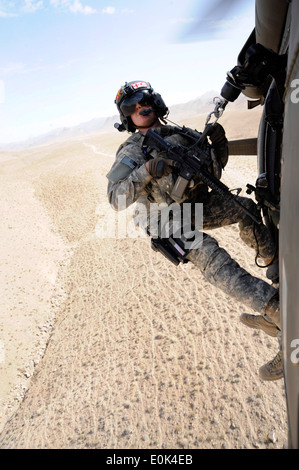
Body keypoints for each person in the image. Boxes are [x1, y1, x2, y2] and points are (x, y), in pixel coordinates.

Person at [106, 80, 282, 381]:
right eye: (132, 107)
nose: (140, 107)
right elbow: (116, 198)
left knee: (245, 210)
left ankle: (277, 271)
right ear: (127, 117)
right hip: (162, 217)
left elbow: (212, 171)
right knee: (210, 256)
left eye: (143, 100)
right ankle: (279, 313)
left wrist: (219, 146)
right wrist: (146, 171)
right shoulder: (133, 149)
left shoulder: (181, 134)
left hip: (194, 204)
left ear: (155, 101)